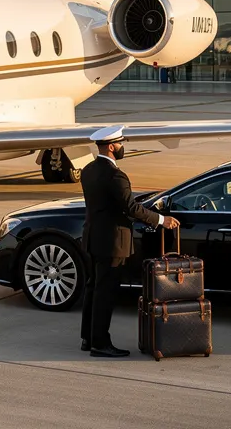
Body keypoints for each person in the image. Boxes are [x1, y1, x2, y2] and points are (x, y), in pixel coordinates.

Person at [78, 126, 180, 357]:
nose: (123, 147)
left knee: (93, 289)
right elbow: (131, 208)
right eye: (121, 143)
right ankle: (100, 343)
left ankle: (88, 338)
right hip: (112, 242)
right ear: (112, 146)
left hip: (93, 238)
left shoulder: (89, 170)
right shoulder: (116, 176)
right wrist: (161, 219)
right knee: (105, 294)